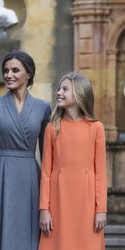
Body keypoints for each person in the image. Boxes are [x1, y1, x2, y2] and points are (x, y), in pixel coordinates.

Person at [0, 50, 51, 250]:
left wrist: (48, 194)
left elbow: (48, 155)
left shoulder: (43, 108)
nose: (8, 75)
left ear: (29, 74)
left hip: (30, 179)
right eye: (6, 70)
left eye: (15, 70)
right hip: (1, 176)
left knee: (27, 233)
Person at [39, 72, 107, 250]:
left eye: (65, 89)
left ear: (79, 94)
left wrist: (101, 209)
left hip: (87, 201)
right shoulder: (52, 128)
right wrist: (44, 209)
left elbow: (100, 173)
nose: (59, 92)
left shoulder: (96, 128)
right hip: (58, 199)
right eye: (59, 88)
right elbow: (45, 172)